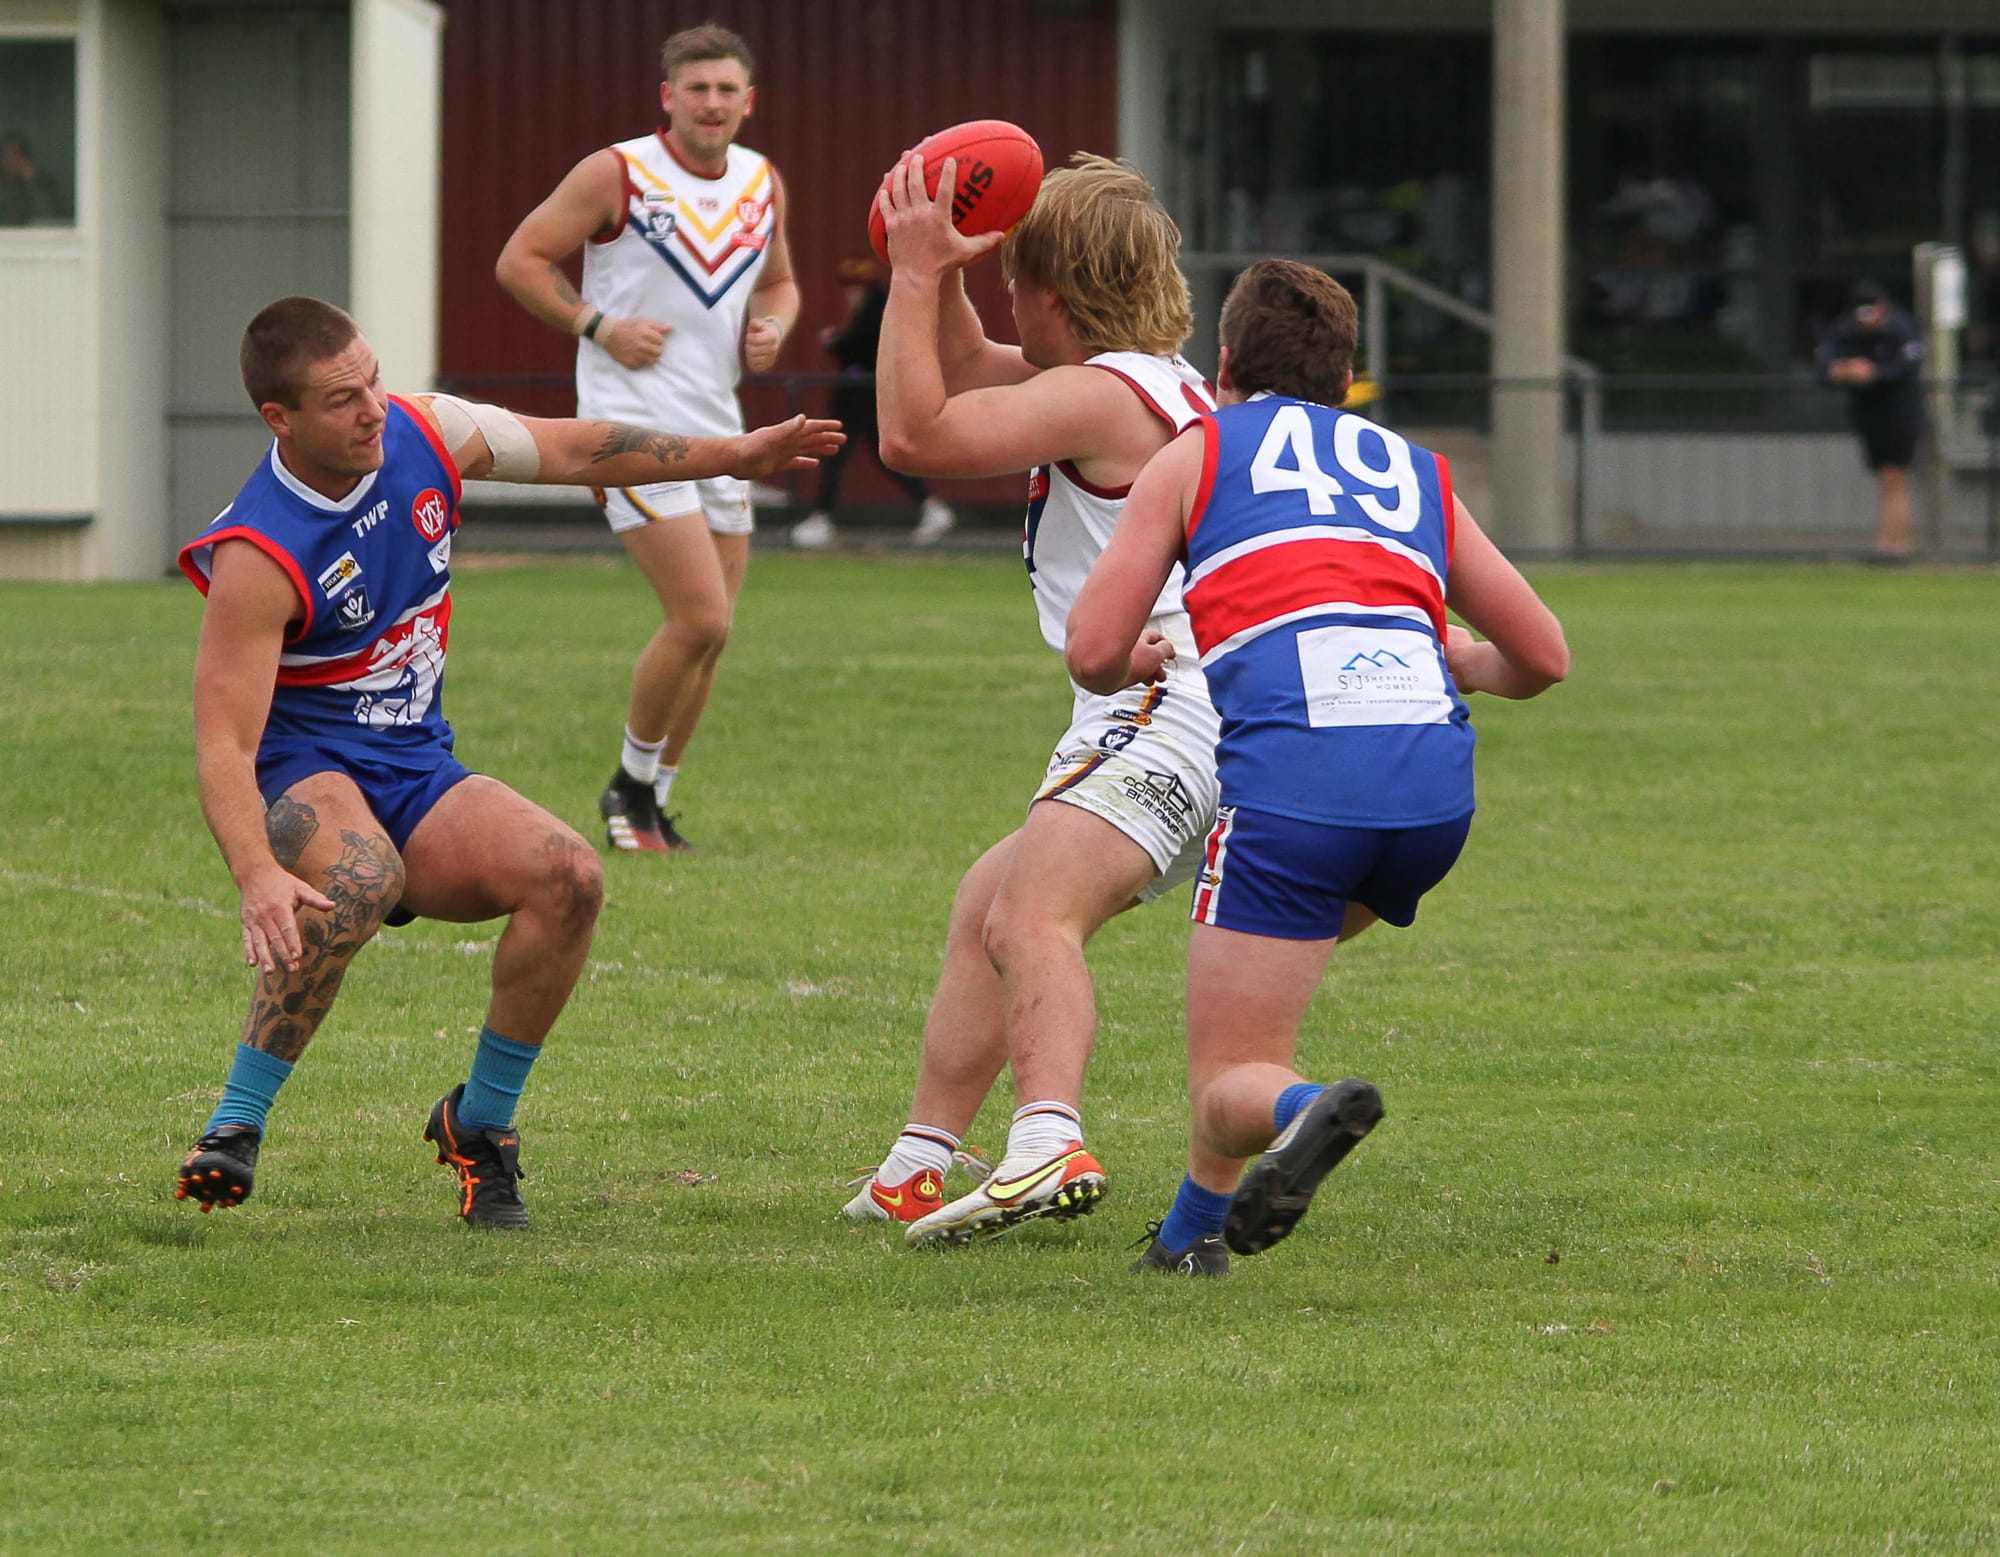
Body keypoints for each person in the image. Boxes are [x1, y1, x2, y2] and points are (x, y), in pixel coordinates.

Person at [173, 296, 839, 1227]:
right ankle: (236, 1124)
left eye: (371, 378)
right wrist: (254, 871)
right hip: (306, 765)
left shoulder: (425, 431)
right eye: (341, 399)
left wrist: (736, 454)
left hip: (413, 765)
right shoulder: (260, 551)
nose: (373, 408)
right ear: (279, 418)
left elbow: (573, 446)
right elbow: (223, 741)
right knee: (361, 881)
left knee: (569, 875)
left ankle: (479, 1126)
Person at [1065, 259, 1568, 1273]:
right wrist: (1462, 658)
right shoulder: (1412, 467)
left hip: (1301, 789)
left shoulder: (1196, 451)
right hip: (1430, 798)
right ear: (1345, 376)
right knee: (1245, 1010)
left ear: (1223, 361)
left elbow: (1089, 648)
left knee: (1233, 1073)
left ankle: (1304, 1110)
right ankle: (1187, 1241)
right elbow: (1543, 656)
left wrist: (1135, 660)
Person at [840, 152, 1221, 1249]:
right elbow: (961, 362)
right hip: (1157, 700)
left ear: (1051, 294)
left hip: (1163, 697)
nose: (999, 294)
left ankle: (1046, 1140)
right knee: (985, 905)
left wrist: (909, 278)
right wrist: (946, 266)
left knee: (1029, 918)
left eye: (1010, 277)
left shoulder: (1101, 395)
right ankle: (920, 1161)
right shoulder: (1146, 378)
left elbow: (916, 435)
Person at [496, 22, 799, 854]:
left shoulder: (761, 181)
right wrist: (597, 324)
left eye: (726, 89)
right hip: (630, 425)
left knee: (718, 629)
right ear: (668, 96)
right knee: (698, 617)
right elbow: (520, 259)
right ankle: (628, 785)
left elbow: (779, 283)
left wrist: (772, 327)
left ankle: (651, 803)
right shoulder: (618, 172)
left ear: (749, 100)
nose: (712, 103)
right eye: (696, 88)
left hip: (722, 427)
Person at [789, 255, 956, 550]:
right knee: (881, 456)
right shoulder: (869, 308)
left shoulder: (875, 309)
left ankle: (822, 517)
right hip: (864, 395)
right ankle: (931, 507)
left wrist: (836, 342)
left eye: (855, 287)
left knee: (840, 453)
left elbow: (862, 350)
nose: (850, 293)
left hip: (864, 395)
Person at [1815, 280, 1925, 563]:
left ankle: (1894, 546)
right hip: (1868, 413)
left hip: (1900, 411)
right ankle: (1887, 544)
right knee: (1885, 477)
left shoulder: (1901, 328)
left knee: (1894, 477)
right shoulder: (1844, 329)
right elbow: (1825, 365)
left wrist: (1874, 372)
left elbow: (1906, 367)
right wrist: (1841, 371)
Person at [0, 132, 63, 226]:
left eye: (15, 154)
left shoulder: (41, 182)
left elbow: (49, 212)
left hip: (32, 235)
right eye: (6, 154)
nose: (10, 159)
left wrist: (31, 180)